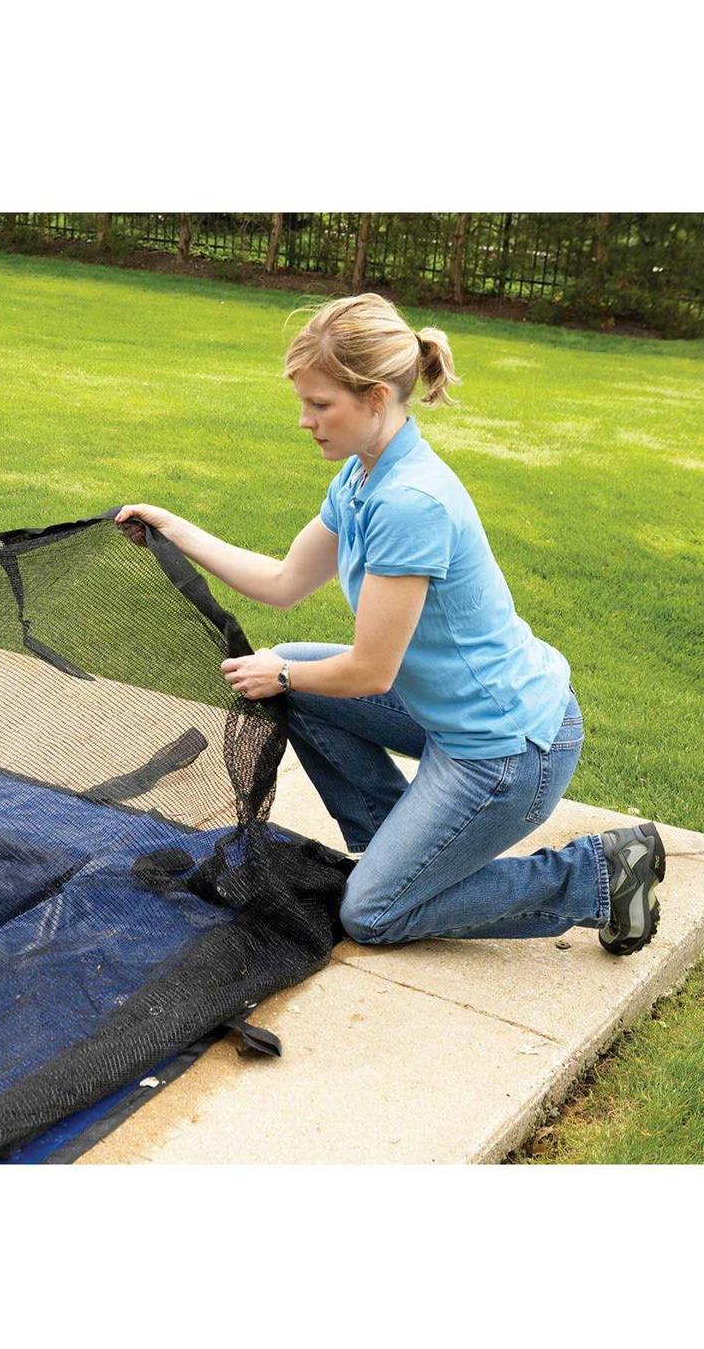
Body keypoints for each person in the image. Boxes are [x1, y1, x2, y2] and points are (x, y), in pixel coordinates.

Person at [116, 292, 664, 954]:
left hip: (505, 752)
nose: (305, 420)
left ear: (376, 398)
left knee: (372, 915)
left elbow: (370, 671)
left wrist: (283, 671)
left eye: (321, 405)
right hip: (455, 716)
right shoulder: (361, 476)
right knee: (286, 676)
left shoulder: (409, 502)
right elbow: (284, 582)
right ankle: (394, 853)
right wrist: (174, 528)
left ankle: (597, 877)